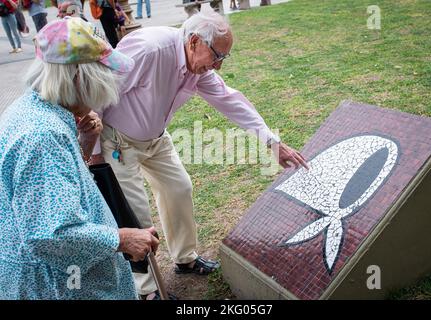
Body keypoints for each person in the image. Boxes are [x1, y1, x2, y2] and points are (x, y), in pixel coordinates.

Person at [90, 12, 308, 300]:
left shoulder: (198, 68)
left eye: (223, 59)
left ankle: (185, 259)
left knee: (179, 188)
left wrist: (272, 142)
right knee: (135, 216)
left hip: (156, 137)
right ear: (194, 42)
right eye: (217, 56)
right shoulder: (149, 49)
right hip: (116, 140)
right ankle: (147, 290)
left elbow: (231, 100)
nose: (218, 66)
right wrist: (94, 155)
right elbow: (100, 96)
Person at [0, 17, 160, 299]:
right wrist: (122, 239)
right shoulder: (41, 136)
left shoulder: (37, 112)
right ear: (79, 77)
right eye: (104, 72)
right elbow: (49, 234)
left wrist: (84, 145)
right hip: (60, 287)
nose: (109, 84)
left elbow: (57, 194)